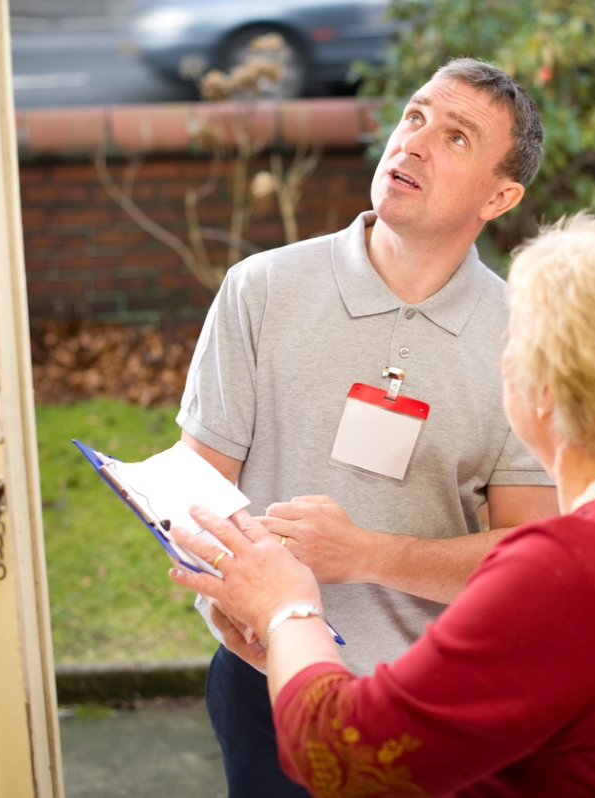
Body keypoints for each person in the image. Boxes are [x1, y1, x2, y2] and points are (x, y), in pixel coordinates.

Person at [169, 211, 595, 796]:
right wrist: (295, 656)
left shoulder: (564, 574)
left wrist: (287, 610)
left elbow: (343, 759)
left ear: (541, 390)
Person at [176, 58, 559, 795]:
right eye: (414, 115)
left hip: (433, 697)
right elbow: (198, 488)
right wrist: (227, 594)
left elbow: (527, 561)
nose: (412, 142)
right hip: (269, 682)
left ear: (501, 195)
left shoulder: (527, 338)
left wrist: (366, 554)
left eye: (455, 137)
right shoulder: (261, 288)